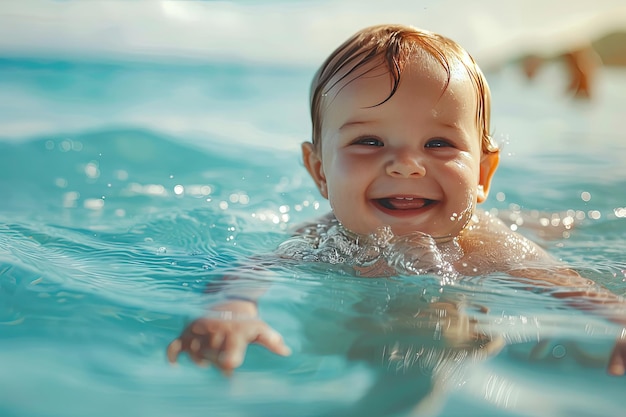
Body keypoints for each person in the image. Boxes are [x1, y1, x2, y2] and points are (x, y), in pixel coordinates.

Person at [166, 24, 626, 378]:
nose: (406, 166)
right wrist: (230, 312)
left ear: (484, 173)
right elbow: (251, 271)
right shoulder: (322, 236)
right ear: (320, 170)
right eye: (368, 141)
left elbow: (578, 292)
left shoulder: (491, 246)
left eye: (439, 145)